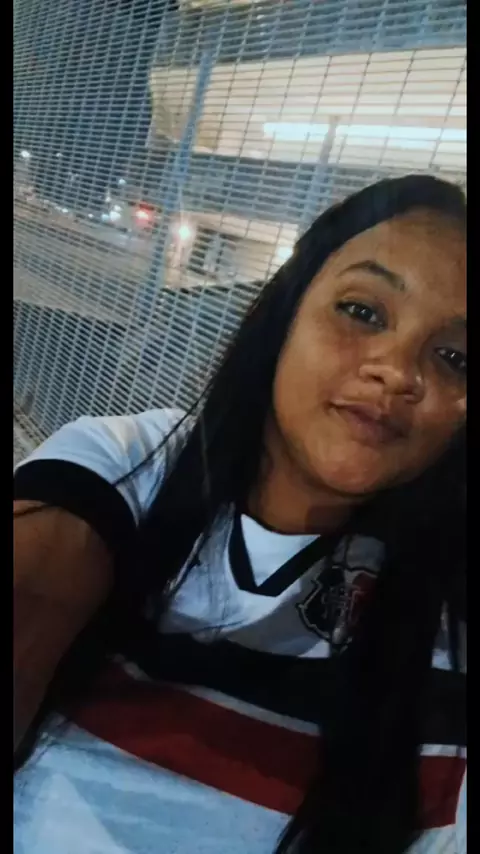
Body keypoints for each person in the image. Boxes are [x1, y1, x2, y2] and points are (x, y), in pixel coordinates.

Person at [14, 175, 466, 854]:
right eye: (362, 311)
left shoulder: (446, 612)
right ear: (286, 311)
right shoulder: (133, 467)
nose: (399, 372)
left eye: (455, 357)